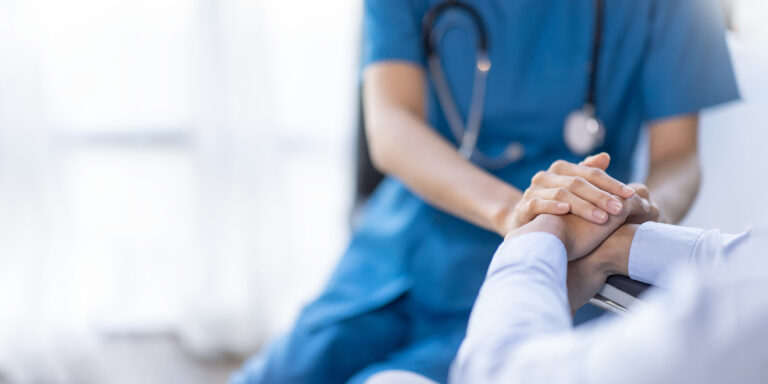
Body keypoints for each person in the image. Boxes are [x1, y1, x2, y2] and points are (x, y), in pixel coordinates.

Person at [232, 0, 739, 382]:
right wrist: (519, 214)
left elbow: (678, 157)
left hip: (570, 264)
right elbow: (390, 126)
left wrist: (637, 217)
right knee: (284, 371)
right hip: (413, 241)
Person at [444, 203, 767, 384]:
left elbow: (497, 373)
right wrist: (623, 244)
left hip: (512, 309)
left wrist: (540, 234)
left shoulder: (740, 323)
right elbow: (748, 261)